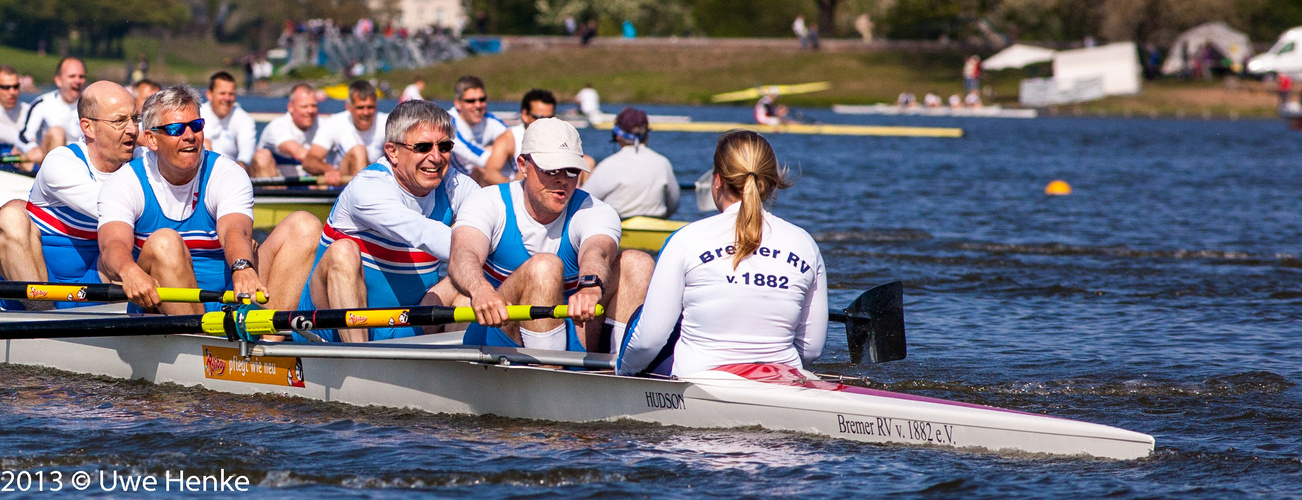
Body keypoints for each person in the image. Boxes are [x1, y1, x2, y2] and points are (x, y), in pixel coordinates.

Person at [617, 130, 826, 378]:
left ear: (717, 181)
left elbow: (647, 341)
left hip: (700, 378)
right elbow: (811, 348)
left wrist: (624, 375)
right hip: (782, 375)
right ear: (770, 183)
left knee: (641, 318)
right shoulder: (805, 244)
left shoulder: (686, 239)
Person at [97, 85, 321, 316]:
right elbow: (112, 245)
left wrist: (242, 266)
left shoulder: (225, 172)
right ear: (152, 139)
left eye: (196, 126)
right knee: (165, 242)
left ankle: (269, 340)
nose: (190, 136)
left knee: (305, 225)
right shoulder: (125, 182)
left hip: (229, 295)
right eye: (176, 129)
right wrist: (128, 271)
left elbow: (234, 229)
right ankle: (204, 344)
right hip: (162, 306)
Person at [449, 118, 654, 353]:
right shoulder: (487, 201)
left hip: (572, 334)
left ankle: (622, 369)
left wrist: (589, 286)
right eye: (551, 170)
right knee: (545, 267)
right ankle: (549, 372)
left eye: (571, 171)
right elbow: (463, 254)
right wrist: (480, 291)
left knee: (637, 263)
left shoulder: (595, 211)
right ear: (523, 165)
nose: (562, 180)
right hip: (499, 334)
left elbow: (597, 251)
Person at [295, 100, 479, 343]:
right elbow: (421, 231)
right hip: (332, 326)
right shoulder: (368, 187)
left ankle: (464, 368)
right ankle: (359, 363)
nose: (436, 157)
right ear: (392, 151)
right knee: (343, 251)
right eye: (423, 147)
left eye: (444, 146)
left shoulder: (455, 184)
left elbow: (496, 222)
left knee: (468, 287)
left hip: (406, 322)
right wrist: (477, 254)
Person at [18, 82, 143, 308]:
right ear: (88, 127)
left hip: (98, 282)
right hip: (46, 290)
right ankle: (43, 323)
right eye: (119, 121)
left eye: (135, 119)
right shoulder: (61, 163)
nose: (133, 129)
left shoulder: (144, 161)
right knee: (11, 216)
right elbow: (116, 211)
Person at [581, 107, 679, 219]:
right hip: (656, 225)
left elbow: (582, 203)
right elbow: (673, 205)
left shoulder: (608, 165)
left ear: (617, 136)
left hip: (619, 225)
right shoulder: (663, 163)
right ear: (647, 135)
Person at [306, 80, 388, 182]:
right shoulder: (334, 123)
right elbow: (309, 161)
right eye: (360, 108)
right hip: (342, 182)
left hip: (377, 182)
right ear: (348, 107)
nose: (366, 112)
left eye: (370, 107)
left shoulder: (387, 123)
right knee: (359, 151)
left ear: (376, 106)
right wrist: (329, 170)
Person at [251, 83, 334, 182]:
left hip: (309, 185)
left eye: (314, 106)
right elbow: (299, 153)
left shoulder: (325, 125)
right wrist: (332, 170)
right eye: (304, 106)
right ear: (290, 107)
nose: (310, 111)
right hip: (279, 186)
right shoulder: (277, 126)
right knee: (262, 157)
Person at [17, 57, 86, 166]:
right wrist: (32, 149)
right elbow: (23, 137)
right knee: (57, 132)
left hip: (80, 161)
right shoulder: (42, 103)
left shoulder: (90, 105)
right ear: (58, 80)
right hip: (48, 159)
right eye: (72, 76)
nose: (77, 81)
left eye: (81, 77)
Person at [447, 76, 509, 180]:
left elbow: (514, 140)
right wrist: (498, 152)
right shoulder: (447, 122)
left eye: (482, 99)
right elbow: (475, 155)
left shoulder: (490, 120)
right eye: (471, 101)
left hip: (479, 178)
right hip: (452, 183)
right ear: (458, 103)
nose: (478, 105)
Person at [200, 71, 257, 171]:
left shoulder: (244, 118)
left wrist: (240, 166)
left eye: (231, 94)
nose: (227, 98)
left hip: (234, 170)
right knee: (205, 144)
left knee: (263, 156)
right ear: (209, 94)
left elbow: (246, 151)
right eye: (222, 93)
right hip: (204, 170)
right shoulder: (198, 114)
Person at [0, 65, 32, 171]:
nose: (12, 92)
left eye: (15, 87)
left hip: (21, 162)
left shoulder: (28, 110)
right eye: (6, 87)